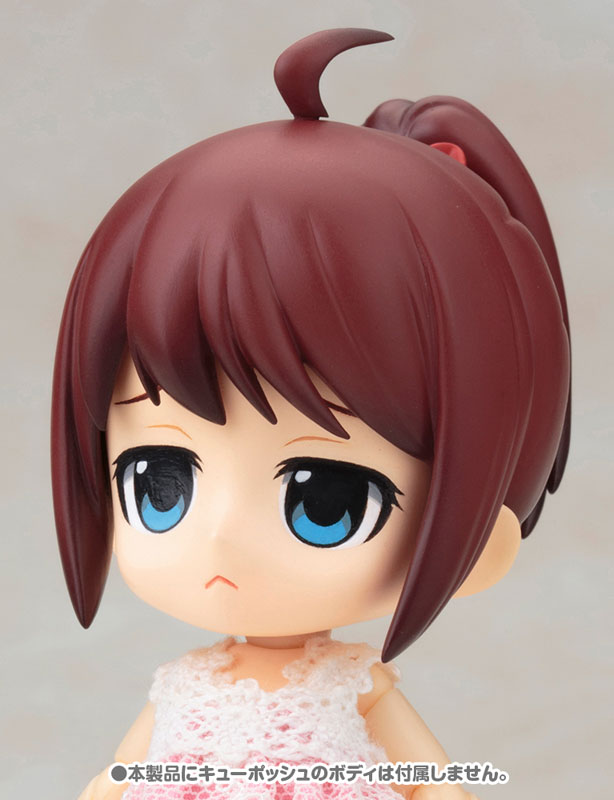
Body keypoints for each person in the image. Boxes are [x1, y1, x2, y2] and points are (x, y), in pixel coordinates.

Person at [51, 28, 571, 800]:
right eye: (158, 482)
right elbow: (126, 773)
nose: (222, 535)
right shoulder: (185, 686)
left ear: (483, 537)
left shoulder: (352, 688)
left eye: (325, 500)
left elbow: (433, 782)